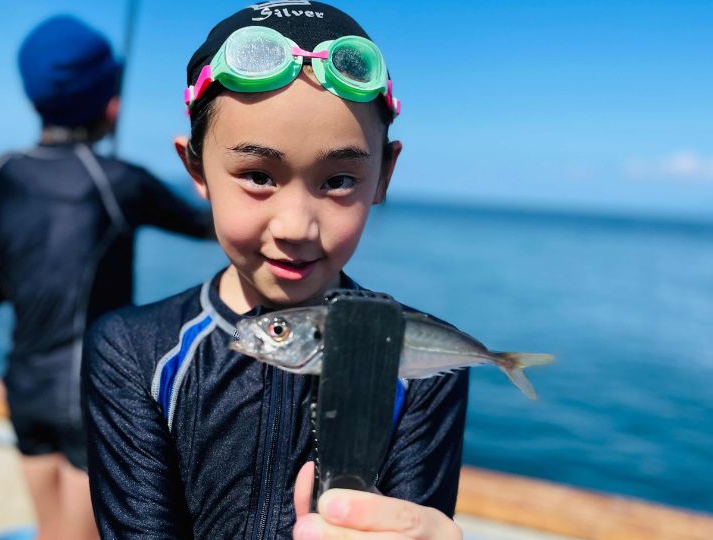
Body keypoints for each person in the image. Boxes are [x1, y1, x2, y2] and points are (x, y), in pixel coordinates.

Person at [82, 3, 466, 539]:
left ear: (384, 175)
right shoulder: (131, 350)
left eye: (338, 181)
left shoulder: (419, 356)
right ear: (196, 167)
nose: (296, 226)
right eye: (259, 174)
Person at [0, 15, 213, 540]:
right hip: (93, 393)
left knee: (50, 531)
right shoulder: (119, 182)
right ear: (110, 103)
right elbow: (211, 225)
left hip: (25, 386)